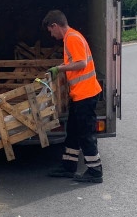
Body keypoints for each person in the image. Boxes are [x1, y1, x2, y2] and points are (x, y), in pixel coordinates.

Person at [43, 10, 103, 183]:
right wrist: (60, 66)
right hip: (80, 94)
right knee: (74, 132)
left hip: (86, 94)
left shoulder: (72, 38)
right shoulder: (71, 37)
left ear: (55, 25)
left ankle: (95, 171)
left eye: (50, 30)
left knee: (86, 134)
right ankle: (68, 166)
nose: (51, 35)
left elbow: (81, 63)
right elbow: (74, 61)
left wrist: (59, 69)